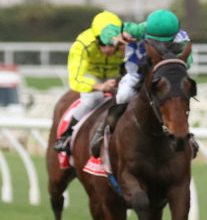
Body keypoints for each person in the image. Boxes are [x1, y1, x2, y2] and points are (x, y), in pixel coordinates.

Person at [90, 9, 192, 157]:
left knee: (180, 97)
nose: (160, 46)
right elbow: (107, 31)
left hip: (165, 76)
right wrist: (115, 39)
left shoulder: (182, 39)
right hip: (137, 74)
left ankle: (186, 134)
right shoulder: (137, 30)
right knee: (123, 96)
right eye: (156, 41)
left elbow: (187, 62)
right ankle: (102, 132)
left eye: (165, 42)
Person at [52, 10, 125, 153]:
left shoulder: (126, 43)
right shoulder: (82, 44)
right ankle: (66, 135)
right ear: (96, 38)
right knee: (92, 99)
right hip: (92, 76)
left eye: (112, 44)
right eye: (103, 44)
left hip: (116, 75)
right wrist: (100, 86)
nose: (108, 49)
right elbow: (75, 80)